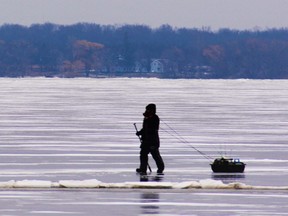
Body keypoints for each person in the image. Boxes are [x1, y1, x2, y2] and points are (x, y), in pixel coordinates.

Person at [136, 103, 165, 175]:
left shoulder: (155, 118)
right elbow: (144, 129)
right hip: (145, 141)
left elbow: (153, 129)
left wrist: (145, 132)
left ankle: (160, 168)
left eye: (148, 109)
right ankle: (143, 169)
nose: (147, 111)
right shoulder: (146, 118)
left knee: (155, 155)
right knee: (143, 154)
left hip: (153, 141)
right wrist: (140, 132)